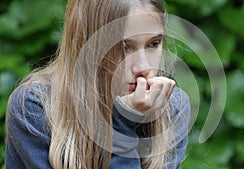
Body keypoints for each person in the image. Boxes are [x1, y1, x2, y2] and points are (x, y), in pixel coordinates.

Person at [5, 0, 190, 168]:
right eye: (124, 47)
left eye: (154, 44)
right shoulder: (36, 107)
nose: (143, 67)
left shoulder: (173, 108)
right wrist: (124, 122)